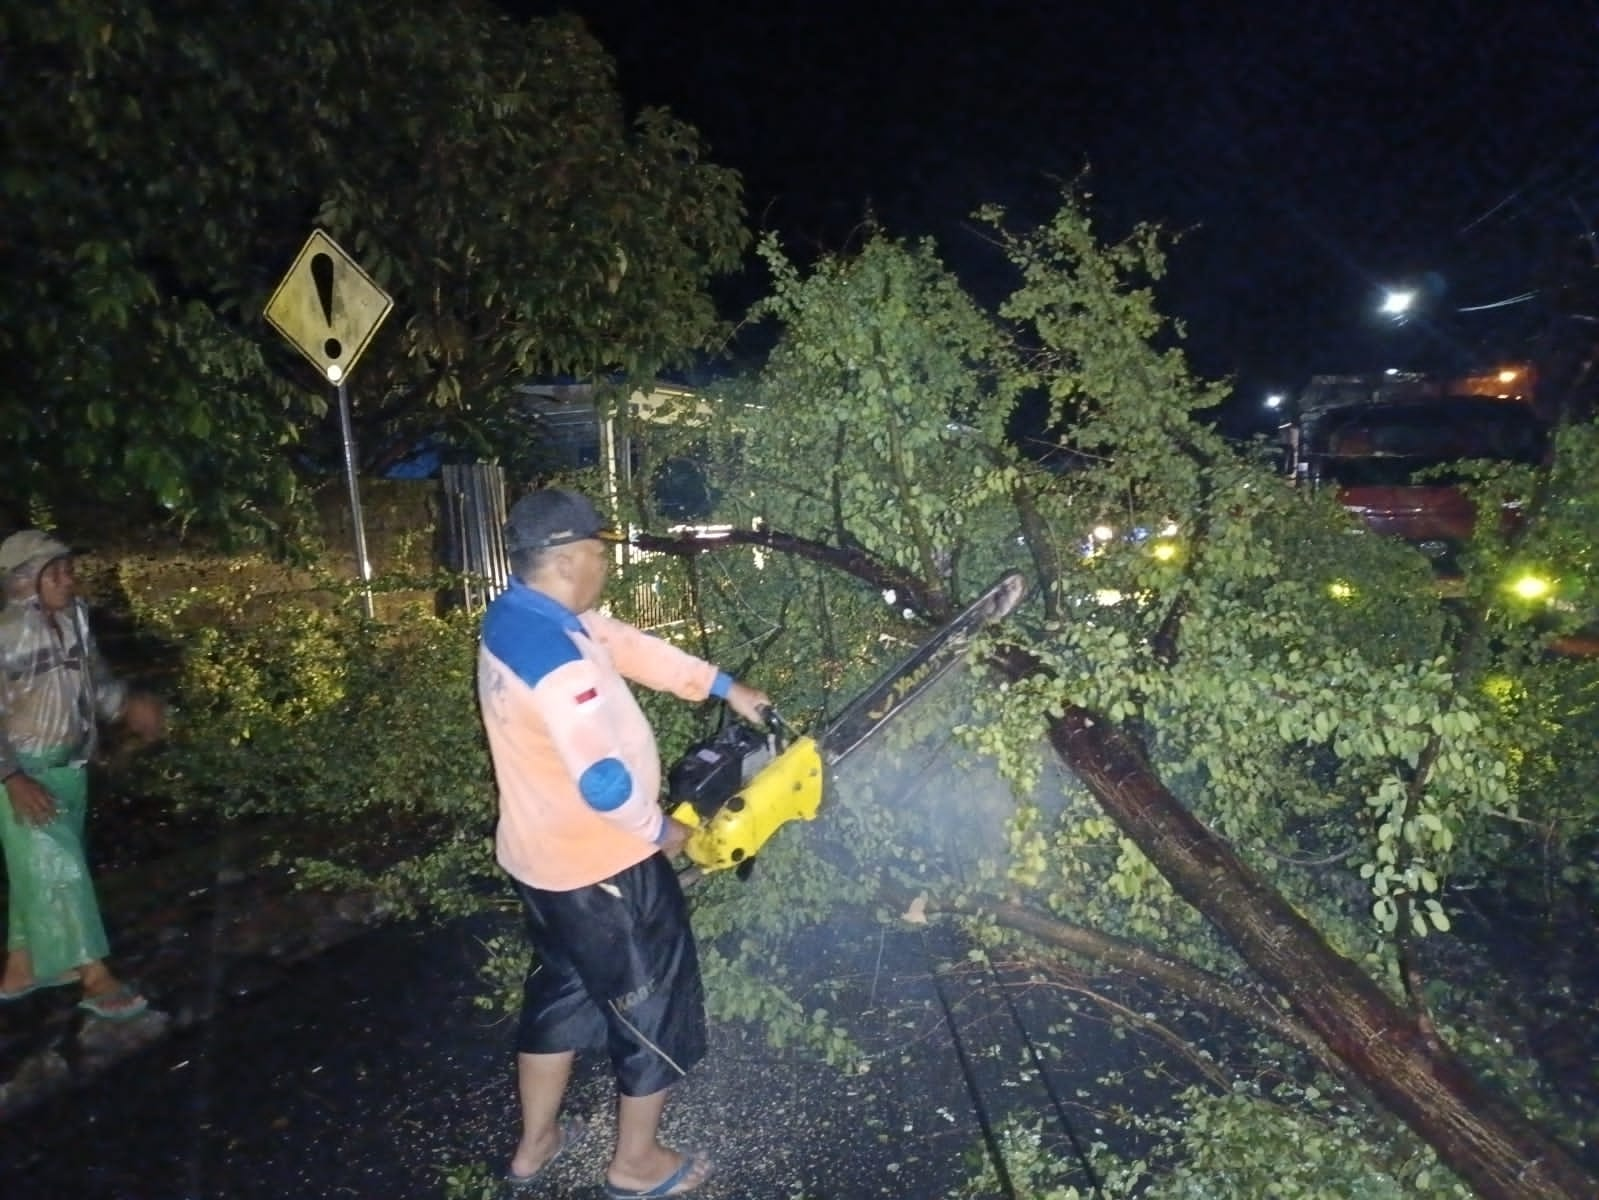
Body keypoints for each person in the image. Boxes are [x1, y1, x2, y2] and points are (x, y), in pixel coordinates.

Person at [477, 489, 769, 1198]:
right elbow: (604, 786)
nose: (605, 565)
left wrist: (722, 686)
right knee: (651, 1006)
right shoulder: (560, 663)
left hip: (540, 861)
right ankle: (635, 1165)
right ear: (571, 558)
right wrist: (664, 835)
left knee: (561, 992)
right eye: (600, 554)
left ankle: (535, 1145)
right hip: (601, 865)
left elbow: (622, 642)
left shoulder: (519, 614)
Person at [0, 530, 166, 1019]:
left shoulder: (74, 620)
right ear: (30, 580)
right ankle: (95, 976)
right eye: (61, 571)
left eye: (68, 569)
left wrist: (126, 705)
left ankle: (21, 968)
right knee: (61, 870)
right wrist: (11, 778)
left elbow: (94, 681)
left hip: (68, 766)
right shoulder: (5, 638)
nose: (71, 580)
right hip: (22, 776)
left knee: (43, 871)